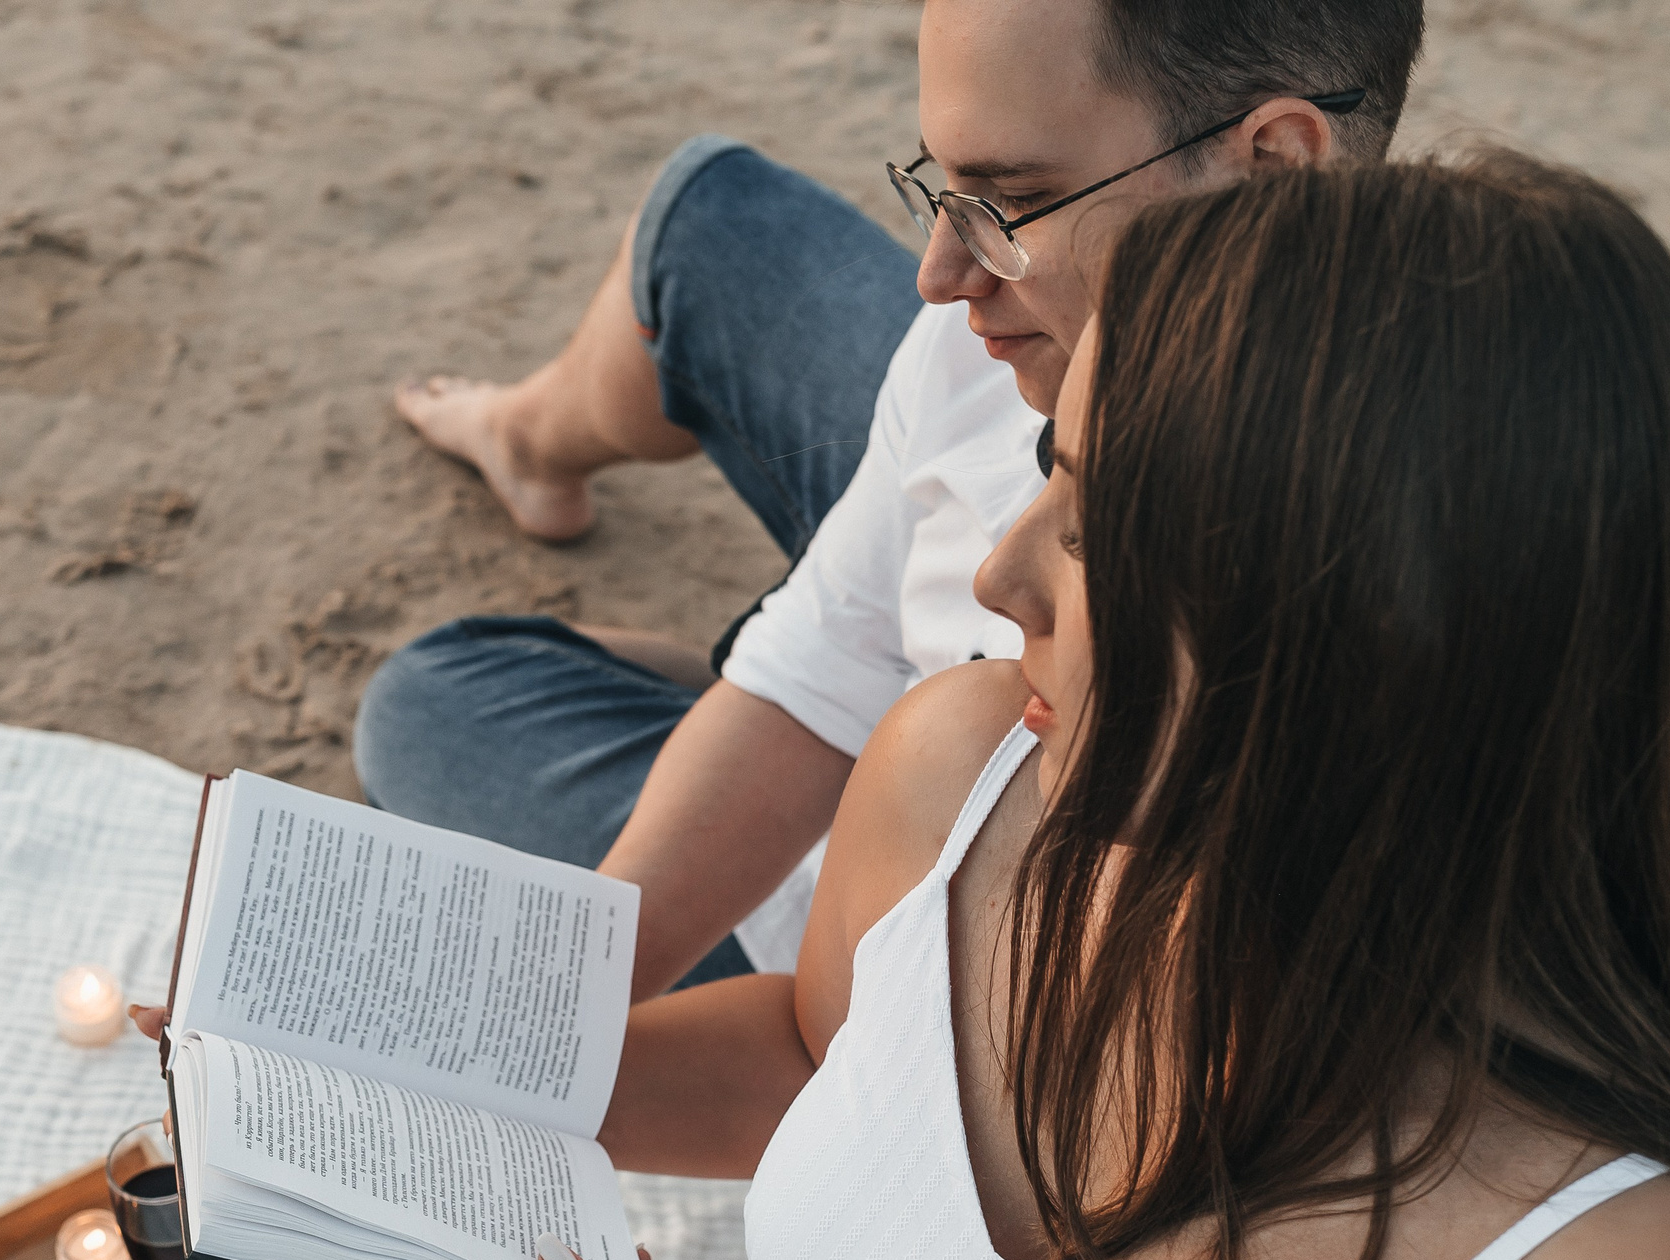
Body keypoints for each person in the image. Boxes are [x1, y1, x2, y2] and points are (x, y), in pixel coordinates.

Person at [253, 154, 1670, 1260]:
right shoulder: (973, 765)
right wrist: (394, 1065)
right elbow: (819, 1051)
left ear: (1374, 637)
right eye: (1046, 474)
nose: (1002, 573)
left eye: (1097, 531)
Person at [362, 0, 1425, 995]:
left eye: (1013, 198)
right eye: (943, 187)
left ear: (1273, 166)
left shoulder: (1341, 611)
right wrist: (554, 1006)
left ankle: (725, 652)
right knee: (710, 218)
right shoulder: (1003, 328)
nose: (938, 277)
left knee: (430, 701)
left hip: (875, 930)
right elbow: (828, 655)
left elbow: (940, 1030)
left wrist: (546, 1012)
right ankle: (531, 442)